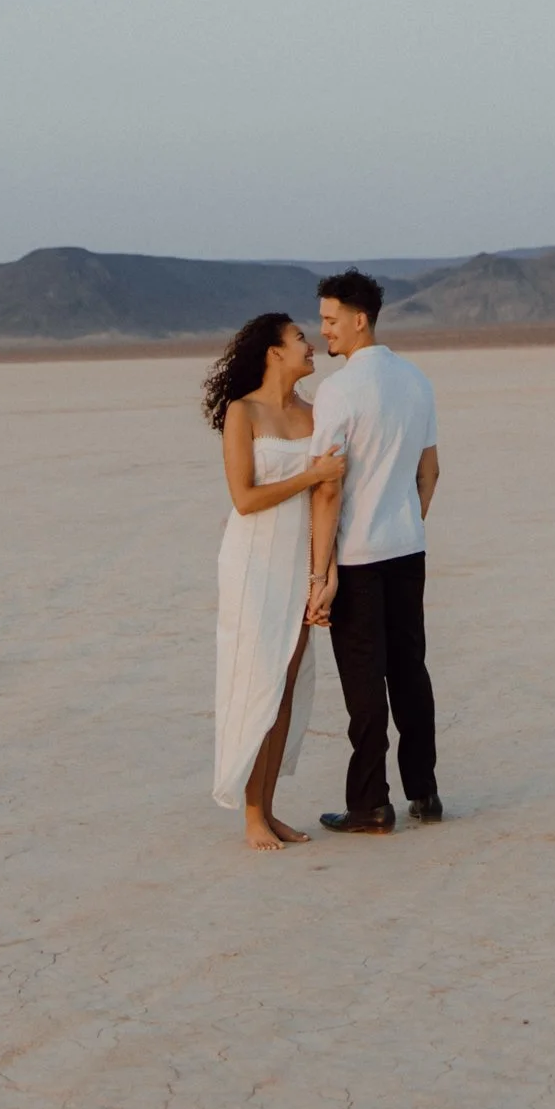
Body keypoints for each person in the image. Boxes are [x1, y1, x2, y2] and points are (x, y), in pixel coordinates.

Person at [303, 272, 442, 834]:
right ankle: (425, 794)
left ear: (360, 319)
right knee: (410, 672)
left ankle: (371, 805)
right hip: (408, 550)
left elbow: (327, 485)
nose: (324, 330)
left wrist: (321, 573)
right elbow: (429, 471)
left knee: (365, 684)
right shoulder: (416, 379)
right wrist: (405, 521)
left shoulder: (338, 391)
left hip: (357, 559)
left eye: (331, 319)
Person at [205, 311, 347, 850]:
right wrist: (309, 474)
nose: (310, 346)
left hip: (298, 564)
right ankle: (250, 815)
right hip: (251, 564)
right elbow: (244, 499)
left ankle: (268, 808)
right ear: (273, 351)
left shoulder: (314, 417)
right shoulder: (243, 413)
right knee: (257, 682)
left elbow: (326, 506)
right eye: (299, 339)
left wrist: (323, 574)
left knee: (286, 686)